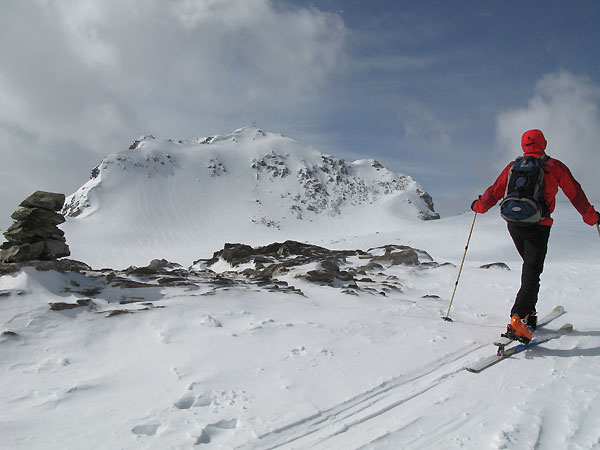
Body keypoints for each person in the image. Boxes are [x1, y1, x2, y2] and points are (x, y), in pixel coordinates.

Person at [471, 129, 599, 343]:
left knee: (530, 268)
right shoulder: (554, 166)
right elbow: (574, 192)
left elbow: (494, 191)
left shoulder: (513, 167)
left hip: (514, 223)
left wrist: (479, 206)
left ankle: (528, 314)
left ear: (524, 145)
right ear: (543, 143)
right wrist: (591, 216)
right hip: (538, 225)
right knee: (532, 270)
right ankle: (519, 318)